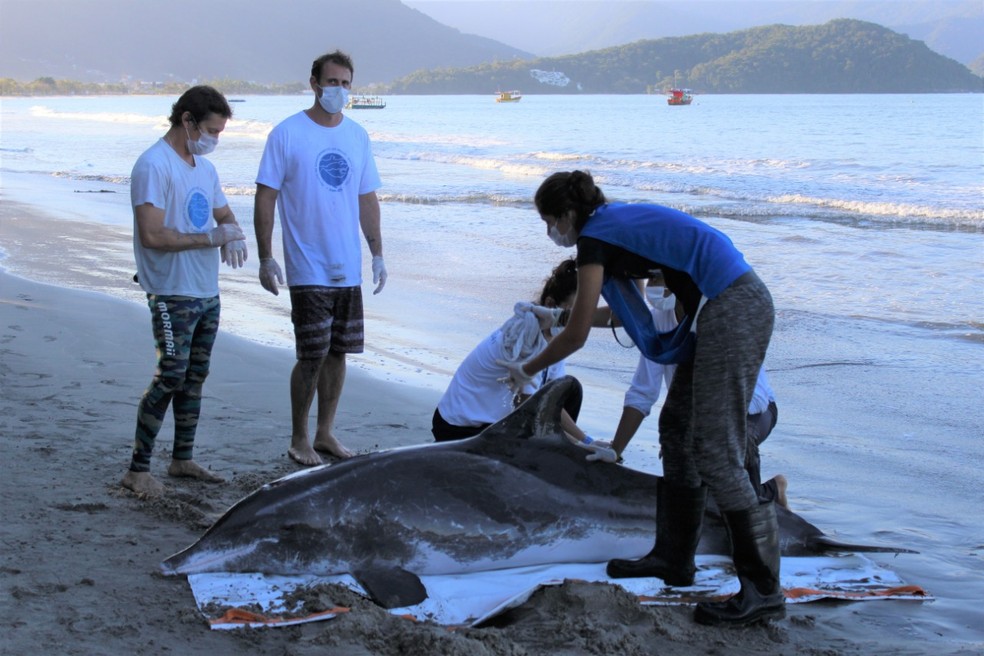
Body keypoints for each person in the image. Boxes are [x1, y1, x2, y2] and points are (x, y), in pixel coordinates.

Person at [500, 170, 784, 626]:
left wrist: (526, 369)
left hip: (732, 307)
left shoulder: (595, 238)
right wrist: (557, 312)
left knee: (715, 450)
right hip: (718, 310)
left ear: (569, 214)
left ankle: (763, 589)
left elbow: (574, 338)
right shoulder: (613, 229)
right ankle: (674, 559)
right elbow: (626, 314)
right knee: (675, 426)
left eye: (550, 220)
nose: (550, 231)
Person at [254, 50, 386, 467]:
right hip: (307, 263)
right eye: (332, 83)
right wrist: (265, 256)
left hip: (347, 265)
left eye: (346, 84)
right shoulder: (287, 133)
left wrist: (378, 253)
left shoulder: (358, 136)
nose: (339, 91)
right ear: (314, 83)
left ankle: (326, 432)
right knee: (311, 353)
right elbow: (265, 196)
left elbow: (367, 198)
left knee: (338, 352)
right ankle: (299, 437)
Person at [122, 85, 247, 496]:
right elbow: (153, 235)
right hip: (170, 290)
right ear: (187, 120)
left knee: (194, 378)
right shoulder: (153, 166)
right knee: (170, 374)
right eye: (212, 130)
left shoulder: (204, 169)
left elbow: (223, 211)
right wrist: (210, 238)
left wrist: (233, 233)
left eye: (221, 133)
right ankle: (138, 470)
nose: (215, 140)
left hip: (205, 289)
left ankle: (182, 459)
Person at [597, 275, 788, 506]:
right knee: (690, 479)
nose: (655, 287)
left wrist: (693, 434)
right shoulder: (658, 320)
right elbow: (643, 391)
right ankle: (770, 490)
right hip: (698, 420)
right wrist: (616, 449)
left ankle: (761, 502)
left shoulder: (719, 317)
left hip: (755, 411)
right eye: (652, 279)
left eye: (662, 279)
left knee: (733, 445)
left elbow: (752, 401)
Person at [432, 258, 607, 455]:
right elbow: (529, 410)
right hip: (459, 428)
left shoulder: (553, 334)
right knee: (549, 445)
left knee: (570, 389)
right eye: (573, 313)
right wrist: (578, 447)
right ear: (550, 303)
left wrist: (587, 440)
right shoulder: (523, 337)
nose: (578, 321)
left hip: (491, 419)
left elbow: (550, 402)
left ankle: (558, 454)